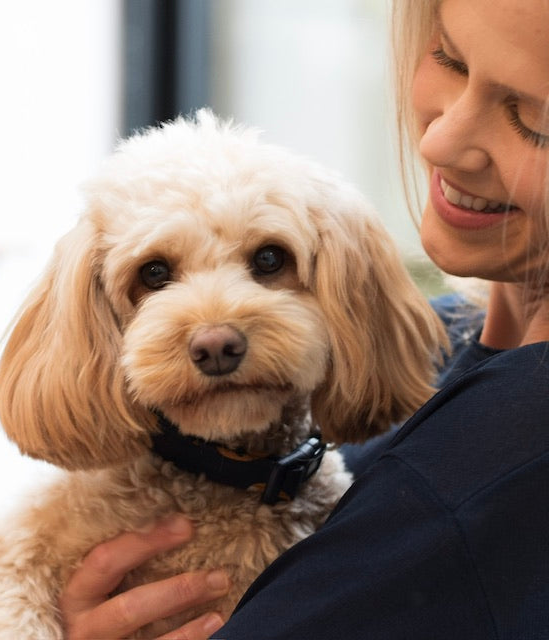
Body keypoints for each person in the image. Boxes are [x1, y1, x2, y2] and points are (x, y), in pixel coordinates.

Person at [60, 0, 549, 637]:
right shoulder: (431, 343)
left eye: (535, 119)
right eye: (449, 58)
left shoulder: (499, 461)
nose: (439, 140)